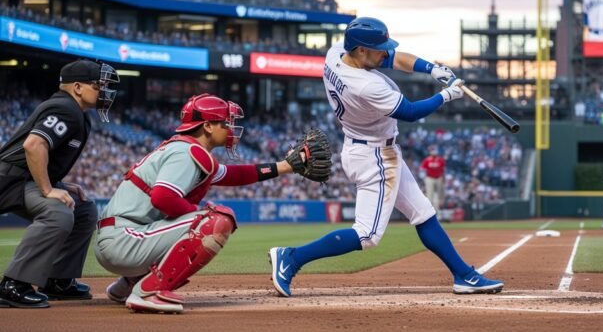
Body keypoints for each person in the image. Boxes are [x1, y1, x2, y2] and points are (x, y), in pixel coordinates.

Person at [269, 17, 503, 297]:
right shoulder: (366, 85)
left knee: (423, 212)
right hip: (375, 155)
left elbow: (396, 58)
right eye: (378, 49)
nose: (385, 53)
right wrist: (447, 95)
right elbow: (411, 113)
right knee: (366, 235)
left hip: (367, 146)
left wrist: (431, 68)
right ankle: (291, 258)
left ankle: (464, 275)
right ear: (361, 51)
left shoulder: (336, 54)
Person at [94, 94, 330, 313]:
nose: (229, 129)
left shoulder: (185, 149)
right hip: (125, 240)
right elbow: (162, 197)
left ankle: (127, 284)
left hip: (122, 237)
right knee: (215, 220)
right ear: (207, 126)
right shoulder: (188, 152)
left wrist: (284, 166)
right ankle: (147, 292)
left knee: (204, 217)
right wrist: (198, 217)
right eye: (224, 124)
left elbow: (234, 175)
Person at [0, 60, 119, 308]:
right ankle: (12, 285)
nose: (104, 91)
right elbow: (34, 145)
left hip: (21, 178)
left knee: (84, 209)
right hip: (9, 179)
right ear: (77, 87)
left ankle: (57, 279)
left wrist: (60, 185)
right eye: (98, 85)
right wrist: (47, 189)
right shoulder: (65, 108)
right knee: (58, 213)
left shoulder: (75, 112)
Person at [420, 146, 446, 211]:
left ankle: (438, 209)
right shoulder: (427, 160)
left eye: (434, 151)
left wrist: (443, 179)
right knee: (429, 194)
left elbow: (443, 170)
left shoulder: (440, 160)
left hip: (438, 178)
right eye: (432, 151)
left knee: (439, 195)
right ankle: (429, 210)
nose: (433, 152)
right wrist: (423, 179)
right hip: (429, 178)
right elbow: (422, 170)